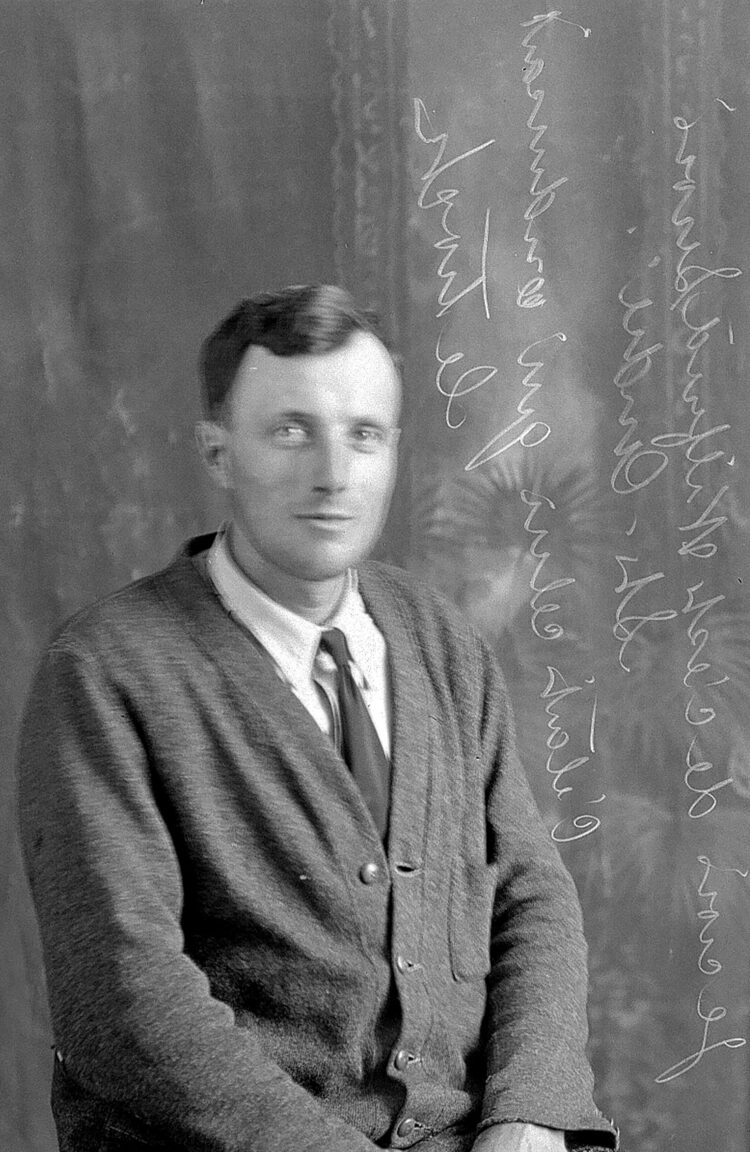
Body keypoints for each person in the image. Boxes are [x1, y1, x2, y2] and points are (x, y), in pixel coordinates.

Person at [17, 285, 618, 1152]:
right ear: (218, 452)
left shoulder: (442, 642)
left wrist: (529, 1112)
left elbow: (531, 894)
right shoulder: (106, 671)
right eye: (292, 431)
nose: (333, 474)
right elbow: (123, 998)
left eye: (363, 434)